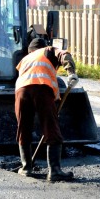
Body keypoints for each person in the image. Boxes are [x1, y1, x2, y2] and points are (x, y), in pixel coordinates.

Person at [14, 38, 79, 182]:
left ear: (30, 50)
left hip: (21, 91)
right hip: (41, 89)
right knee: (50, 127)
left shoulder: (25, 59)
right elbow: (65, 55)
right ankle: (54, 171)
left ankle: (26, 168)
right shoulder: (49, 50)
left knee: (23, 128)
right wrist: (71, 73)